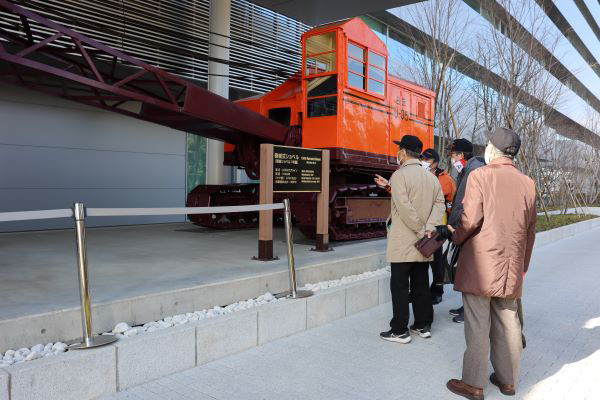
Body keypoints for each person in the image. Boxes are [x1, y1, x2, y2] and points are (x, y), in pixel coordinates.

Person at [439, 127, 536, 400]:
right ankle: (507, 381)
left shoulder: (480, 176)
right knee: (509, 323)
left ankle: (473, 383)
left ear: (492, 149)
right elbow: (531, 230)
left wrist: (456, 237)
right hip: (511, 267)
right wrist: (523, 265)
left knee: (478, 324)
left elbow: (469, 220)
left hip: (481, 266)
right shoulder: (528, 183)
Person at [375, 135, 445, 344]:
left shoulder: (399, 176)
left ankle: (399, 330)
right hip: (423, 243)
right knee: (421, 284)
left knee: (399, 286)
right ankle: (422, 325)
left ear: (403, 153)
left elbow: (404, 207)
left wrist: (419, 228)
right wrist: (429, 228)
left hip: (404, 240)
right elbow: (439, 203)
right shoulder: (431, 177)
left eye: (399, 150)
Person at [446, 138, 485, 323]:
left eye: (454, 155)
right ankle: (466, 307)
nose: (452, 159)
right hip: (470, 227)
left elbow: (463, 202)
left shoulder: (472, 171)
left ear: (461, 155)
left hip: (469, 229)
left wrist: (454, 225)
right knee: (466, 270)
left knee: (469, 272)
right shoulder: (468, 169)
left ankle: (470, 311)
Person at [421, 148, 457, 305]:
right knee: (420, 257)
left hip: (437, 225)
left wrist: (449, 225)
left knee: (435, 260)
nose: (424, 162)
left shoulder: (445, 179)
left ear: (435, 163)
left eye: (428, 160)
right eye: (422, 159)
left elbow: (452, 203)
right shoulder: (419, 175)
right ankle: (420, 289)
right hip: (421, 223)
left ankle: (437, 290)